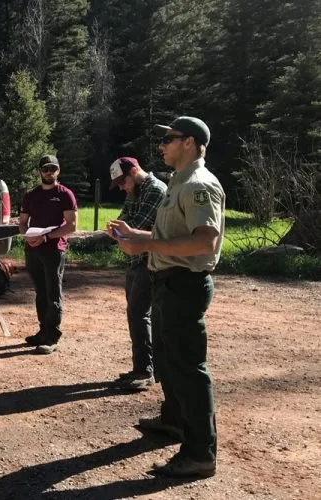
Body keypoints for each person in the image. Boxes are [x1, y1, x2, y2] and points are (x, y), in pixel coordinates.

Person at [108, 116, 224, 478]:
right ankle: (174, 421)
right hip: (166, 282)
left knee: (188, 368)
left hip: (184, 284)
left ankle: (200, 452)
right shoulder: (179, 182)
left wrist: (147, 243)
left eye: (169, 139)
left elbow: (206, 240)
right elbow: (171, 234)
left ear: (190, 143)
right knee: (169, 363)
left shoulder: (199, 185)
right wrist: (136, 234)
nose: (162, 146)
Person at [108, 156, 168, 391]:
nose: (122, 187)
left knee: (139, 313)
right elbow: (121, 222)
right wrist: (121, 231)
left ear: (134, 171)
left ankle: (146, 370)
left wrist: (122, 231)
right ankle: (142, 368)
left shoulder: (155, 190)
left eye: (123, 181)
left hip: (148, 260)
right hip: (134, 260)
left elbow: (137, 226)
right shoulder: (134, 192)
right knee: (136, 314)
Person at [18, 155, 78, 355]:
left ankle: (52, 335)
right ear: (39, 171)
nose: (49, 172)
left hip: (54, 249)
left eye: (53, 168)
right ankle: (43, 330)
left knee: (53, 293)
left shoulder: (65, 194)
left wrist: (46, 237)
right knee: (40, 291)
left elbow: (72, 225)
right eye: (46, 169)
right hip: (32, 247)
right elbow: (23, 221)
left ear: (58, 171)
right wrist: (27, 235)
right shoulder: (31, 195)